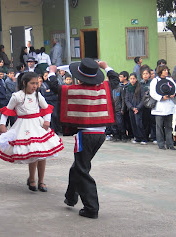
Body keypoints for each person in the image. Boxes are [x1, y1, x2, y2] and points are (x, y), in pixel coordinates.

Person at [48, 58, 118, 219]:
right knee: (78, 167)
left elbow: (54, 87)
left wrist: (52, 72)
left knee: (82, 170)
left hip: (85, 135)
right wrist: (106, 66)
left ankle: (91, 208)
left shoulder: (74, 90)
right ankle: (71, 197)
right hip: (100, 135)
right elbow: (114, 78)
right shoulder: (103, 88)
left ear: (79, 77)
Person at [0, 72, 64, 192]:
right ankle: (32, 179)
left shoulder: (38, 95)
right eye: (32, 83)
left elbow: (46, 109)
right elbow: (7, 111)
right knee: (33, 153)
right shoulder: (17, 96)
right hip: (23, 126)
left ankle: (41, 180)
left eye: (37, 83)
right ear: (25, 83)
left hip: (37, 125)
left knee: (42, 153)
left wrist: (47, 121)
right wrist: (2, 125)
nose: (35, 86)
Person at [150, 65, 176, 150]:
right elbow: (153, 92)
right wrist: (161, 97)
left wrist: (174, 94)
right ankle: (161, 144)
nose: (166, 71)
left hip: (169, 107)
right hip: (159, 107)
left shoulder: (170, 80)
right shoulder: (155, 81)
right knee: (159, 126)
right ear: (160, 71)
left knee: (169, 126)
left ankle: (170, 144)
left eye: (167, 70)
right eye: (164, 70)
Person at [125, 73, 147, 144]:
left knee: (139, 123)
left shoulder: (140, 87)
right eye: (131, 79)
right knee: (133, 123)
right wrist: (131, 107)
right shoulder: (128, 88)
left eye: (133, 78)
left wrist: (138, 108)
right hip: (131, 109)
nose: (132, 80)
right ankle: (137, 137)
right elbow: (126, 99)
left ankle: (143, 138)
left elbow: (143, 99)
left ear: (136, 79)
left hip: (138, 109)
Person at [140, 66, 156, 143]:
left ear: (150, 74)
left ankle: (154, 137)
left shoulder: (153, 82)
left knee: (153, 122)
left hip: (152, 105)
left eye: (147, 73)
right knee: (145, 122)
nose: (145, 75)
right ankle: (145, 138)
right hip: (143, 105)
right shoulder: (140, 83)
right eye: (144, 74)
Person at [119, 71, 133, 140]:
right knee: (123, 121)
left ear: (125, 77)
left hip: (129, 106)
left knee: (129, 121)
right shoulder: (120, 86)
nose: (120, 78)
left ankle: (131, 135)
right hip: (122, 106)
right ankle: (124, 135)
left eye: (121, 76)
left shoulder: (129, 85)